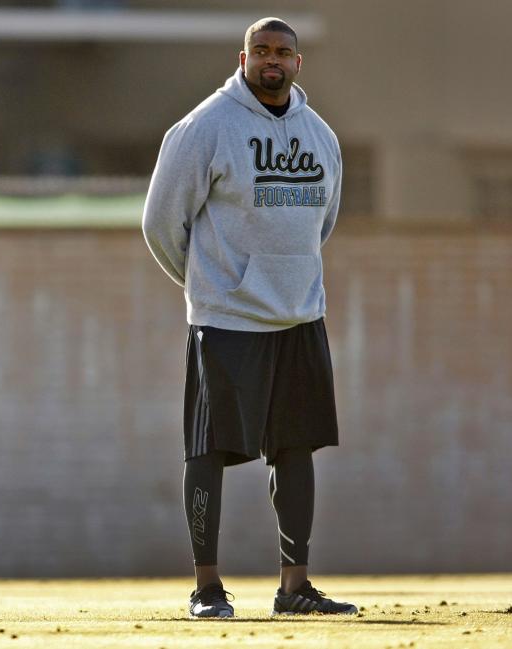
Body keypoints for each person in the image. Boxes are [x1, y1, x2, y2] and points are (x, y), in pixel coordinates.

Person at [142, 17, 357, 618]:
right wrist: (214, 287)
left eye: (282, 52)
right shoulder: (204, 127)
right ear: (242, 57)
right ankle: (207, 588)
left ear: (297, 63)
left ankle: (295, 587)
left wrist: (288, 281)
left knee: (296, 448)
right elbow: (160, 223)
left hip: (299, 318)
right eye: (261, 50)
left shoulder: (321, 136)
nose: (271, 61)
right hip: (227, 319)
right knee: (208, 450)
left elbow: (325, 220)